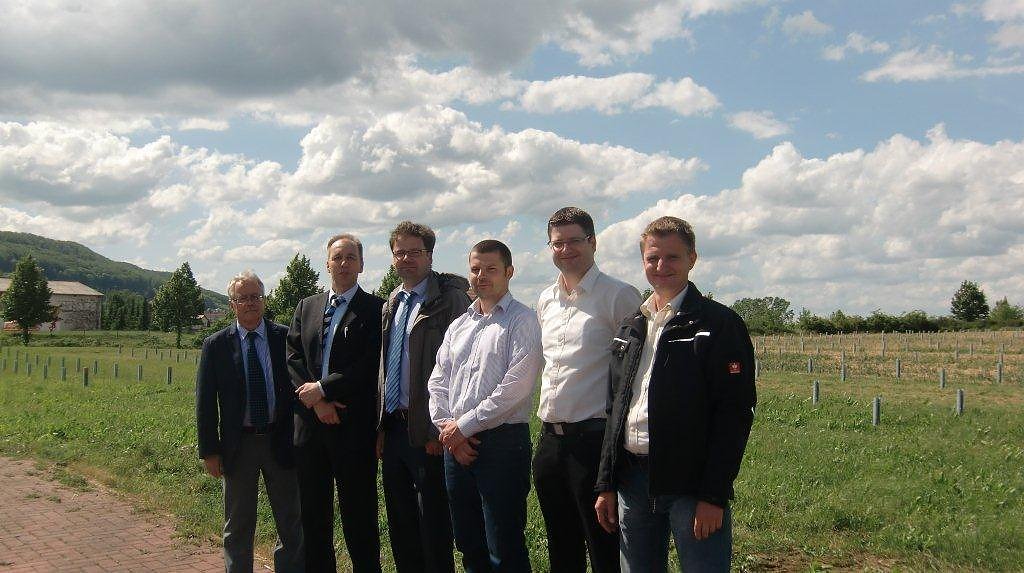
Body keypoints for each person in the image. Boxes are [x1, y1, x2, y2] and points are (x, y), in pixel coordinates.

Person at [594, 216, 756, 573]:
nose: (661, 266)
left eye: (672, 257)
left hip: (690, 485)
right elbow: (614, 409)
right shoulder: (631, 325)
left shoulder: (718, 325)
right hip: (633, 482)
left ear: (692, 259)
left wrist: (713, 495)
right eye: (652, 258)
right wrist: (606, 483)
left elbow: (734, 415)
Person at [533, 207, 641, 573]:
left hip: (594, 440)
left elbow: (634, 373)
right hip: (550, 441)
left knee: (603, 546)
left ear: (593, 242)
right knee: (561, 545)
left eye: (574, 241)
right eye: (557, 243)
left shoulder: (619, 296)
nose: (565, 250)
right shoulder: (545, 300)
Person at [427, 240, 543, 573]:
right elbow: (438, 381)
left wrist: (463, 428)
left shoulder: (522, 320)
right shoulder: (459, 325)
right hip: (455, 444)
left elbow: (515, 388)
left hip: (502, 444)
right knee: (468, 543)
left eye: (491, 269)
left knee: (504, 546)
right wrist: (449, 430)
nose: (482, 276)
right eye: (476, 269)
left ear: (509, 272)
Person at [287, 234, 384, 573]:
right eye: (337, 257)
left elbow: (370, 364)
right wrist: (316, 402)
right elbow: (293, 358)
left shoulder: (376, 309)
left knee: (359, 516)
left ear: (361, 265)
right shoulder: (306, 306)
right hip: (310, 428)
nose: (344, 264)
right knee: (313, 516)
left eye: (350, 257)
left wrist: (323, 389)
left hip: (353, 428)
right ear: (327, 263)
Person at [196, 270, 304, 573]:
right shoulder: (216, 345)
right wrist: (209, 451)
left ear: (264, 300)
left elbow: (299, 387)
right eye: (242, 298)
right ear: (232, 304)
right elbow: (205, 402)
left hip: (280, 441)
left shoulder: (285, 338)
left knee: (291, 521)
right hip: (238, 445)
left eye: (255, 296)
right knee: (238, 524)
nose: (250, 303)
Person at [376, 221, 469, 573]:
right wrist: (381, 426)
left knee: (433, 525)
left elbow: (462, 368)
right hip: (395, 428)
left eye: (415, 252)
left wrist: (437, 429)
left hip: (429, 431)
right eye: (400, 252)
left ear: (430, 255)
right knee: (401, 524)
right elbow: (385, 367)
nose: (406, 259)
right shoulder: (393, 302)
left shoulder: (450, 300)